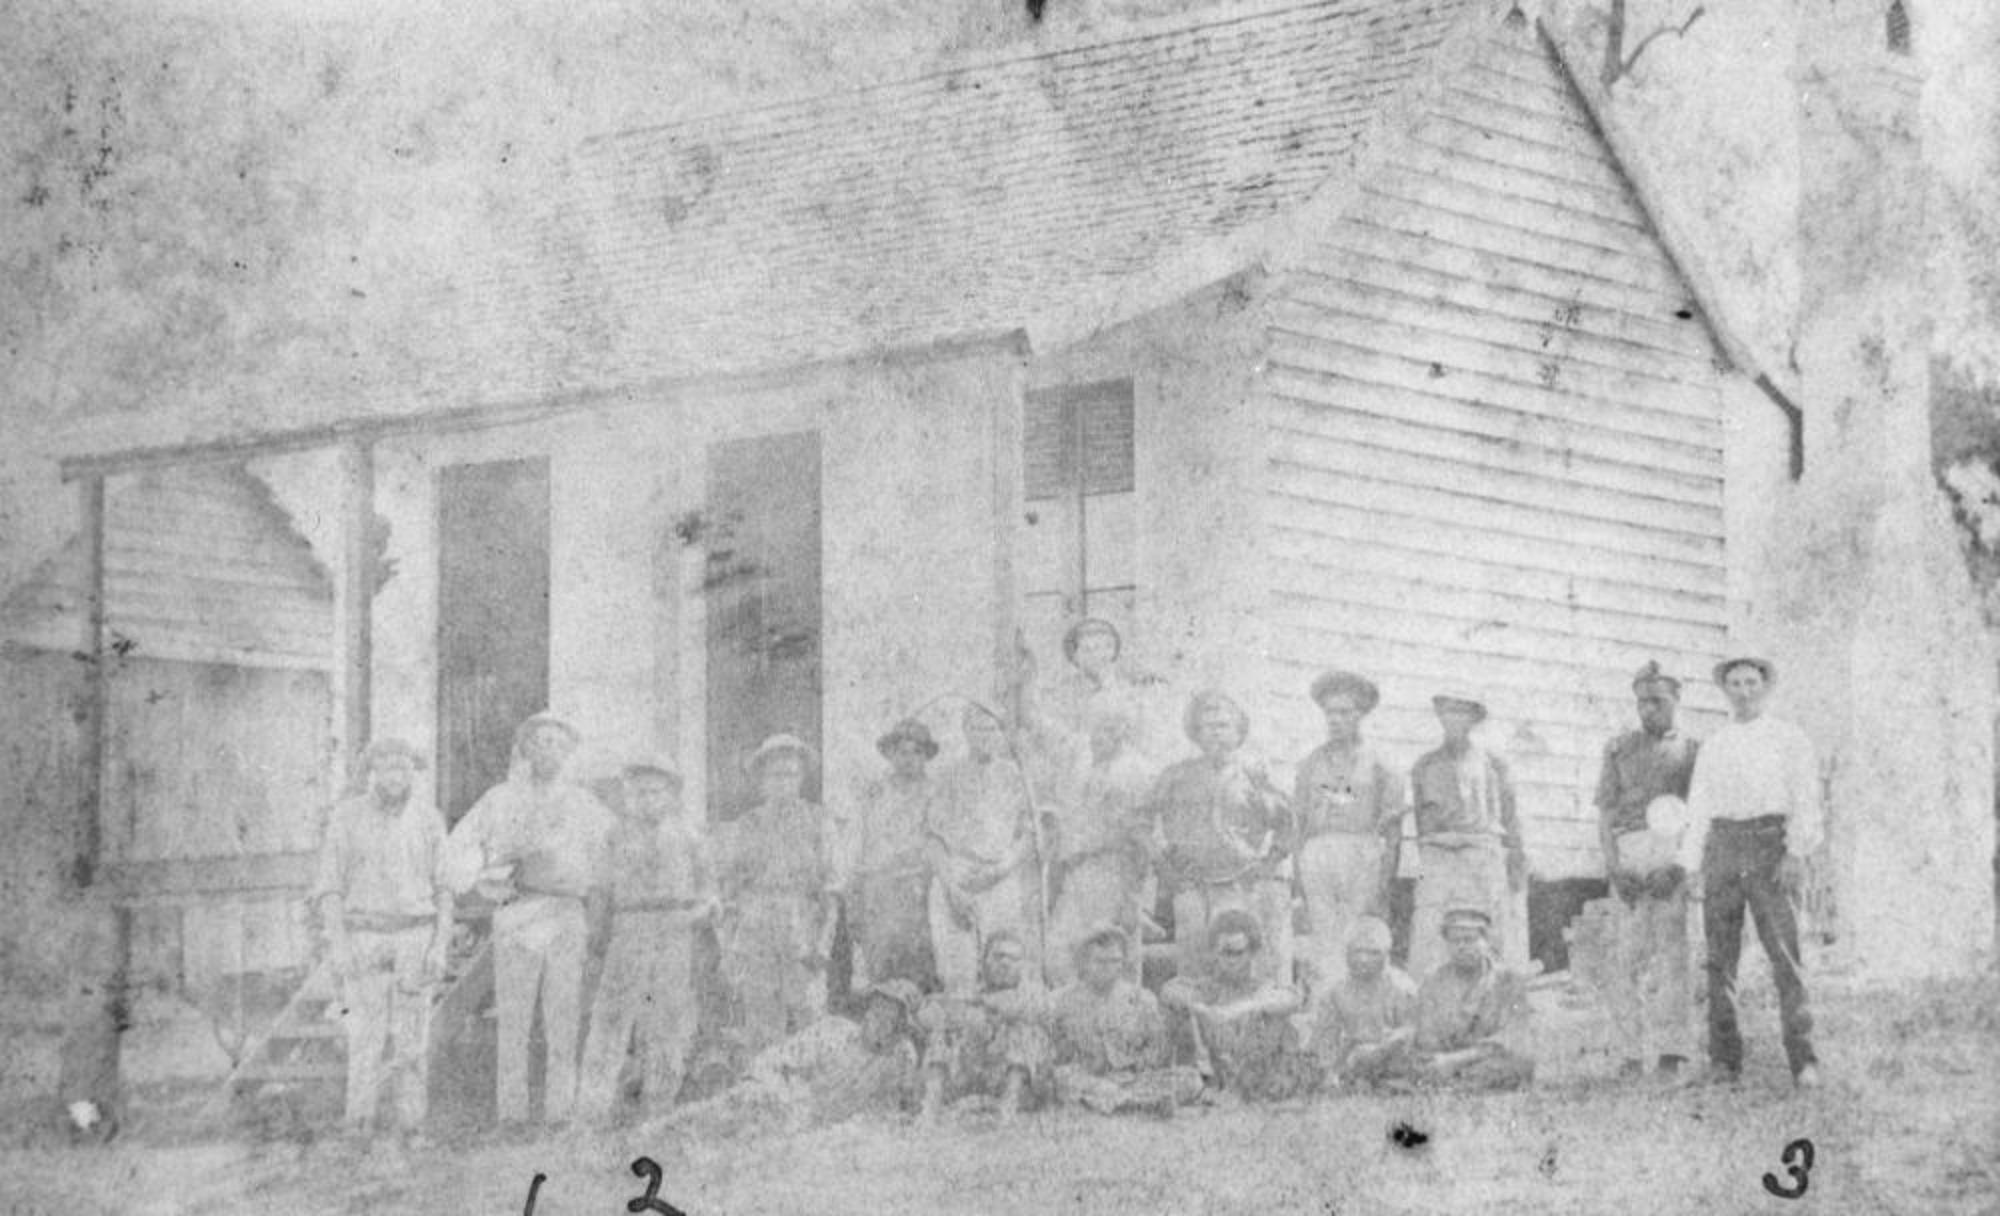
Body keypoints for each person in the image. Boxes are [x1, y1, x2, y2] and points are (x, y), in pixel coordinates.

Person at [441, 712, 614, 1126]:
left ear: (569, 751)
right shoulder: (500, 798)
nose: (548, 750)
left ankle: (560, 1113)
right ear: (526, 749)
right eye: (540, 742)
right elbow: (458, 848)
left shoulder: (585, 804)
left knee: (564, 1018)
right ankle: (512, 1116)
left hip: (567, 911)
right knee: (513, 1019)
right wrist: (484, 876)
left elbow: (611, 856)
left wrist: (596, 914)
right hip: (518, 912)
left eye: (557, 743)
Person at [1680, 655, 1823, 1089]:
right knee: (1719, 959)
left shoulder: (1788, 738)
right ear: (1725, 690)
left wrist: (1795, 853)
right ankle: (1725, 1060)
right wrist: (1691, 863)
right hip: (1723, 849)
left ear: (1764, 687)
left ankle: (1803, 1061)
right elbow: (1699, 807)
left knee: (1785, 956)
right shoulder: (1715, 744)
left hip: (1768, 846)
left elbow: (1806, 798)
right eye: (1735, 683)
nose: (1743, 691)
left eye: (1751, 682)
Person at [311, 738, 453, 1141]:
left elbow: (444, 888)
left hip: (415, 936)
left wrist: (439, 945)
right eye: (387, 767)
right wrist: (339, 946)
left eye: (404, 768)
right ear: (371, 771)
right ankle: (358, 1127)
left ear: (413, 773)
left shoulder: (429, 819)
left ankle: (412, 1127)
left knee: (412, 1044)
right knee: (365, 1041)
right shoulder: (347, 818)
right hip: (365, 938)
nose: (396, 776)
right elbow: (330, 888)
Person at [577, 755, 717, 1124]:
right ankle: (592, 1113)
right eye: (639, 793)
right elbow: (600, 891)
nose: (648, 800)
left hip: (675, 930)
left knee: (667, 1024)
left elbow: (710, 893)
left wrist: (694, 915)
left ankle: (658, 1112)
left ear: (671, 795)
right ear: (628, 797)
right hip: (629, 928)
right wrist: (596, 941)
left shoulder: (690, 836)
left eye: (656, 792)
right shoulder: (615, 836)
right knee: (610, 1022)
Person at [1145, 691, 1296, 987]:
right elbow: (1139, 822)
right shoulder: (1176, 776)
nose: (1215, 733)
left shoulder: (1254, 777)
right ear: (1196, 733)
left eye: (1223, 725)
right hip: (1191, 884)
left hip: (1239, 884)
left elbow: (1288, 823)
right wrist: (1163, 867)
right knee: (1194, 965)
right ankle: (1196, 1029)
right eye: (1206, 726)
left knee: (1242, 963)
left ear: (1239, 732)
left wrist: (1267, 864)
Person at [1594, 661, 1699, 1081]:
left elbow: (1701, 816)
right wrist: (1615, 868)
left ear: (1676, 700)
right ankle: (1629, 1054)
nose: (1648, 709)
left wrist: (1678, 866)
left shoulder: (1693, 751)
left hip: (1672, 851)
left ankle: (1672, 1052)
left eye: (1658, 701)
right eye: (1641, 702)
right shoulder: (1618, 748)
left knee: (1673, 956)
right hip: (1630, 853)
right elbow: (1605, 814)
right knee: (1623, 958)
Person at [660, 980, 925, 1136]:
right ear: (867, 1011)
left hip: (813, 1128)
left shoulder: (899, 1057)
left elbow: (901, 1109)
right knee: (733, 1105)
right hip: (781, 1100)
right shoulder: (834, 1031)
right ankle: (661, 1128)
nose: (879, 1022)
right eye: (877, 1012)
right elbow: (772, 1060)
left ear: (899, 1028)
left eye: (890, 1019)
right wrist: (774, 1090)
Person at [714, 734, 839, 1058]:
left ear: (801, 778)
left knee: (808, 1010)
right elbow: (730, 889)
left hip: (802, 920)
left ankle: (810, 1096)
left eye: (791, 774)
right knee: (761, 1016)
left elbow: (831, 889)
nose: (784, 783)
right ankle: (765, 1093)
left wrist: (824, 944)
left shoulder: (819, 821)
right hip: (756, 922)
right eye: (775, 775)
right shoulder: (747, 825)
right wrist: (731, 945)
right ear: (761, 781)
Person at [1292, 671, 1406, 994]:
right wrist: (1298, 875)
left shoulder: (1380, 764)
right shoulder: (1310, 763)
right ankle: (1325, 1002)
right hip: (1318, 852)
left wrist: (1386, 877)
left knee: (1356, 931)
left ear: (1361, 715)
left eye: (1345, 712)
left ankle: (1357, 1001)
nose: (1336, 719)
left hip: (1361, 851)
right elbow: (1298, 822)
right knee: (1323, 933)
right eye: (1330, 712)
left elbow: (1393, 827)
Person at [1408, 693, 1528, 976]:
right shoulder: (1424, 765)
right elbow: (1420, 820)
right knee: (1430, 925)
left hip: (1481, 850)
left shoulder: (1493, 764)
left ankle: (1497, 993)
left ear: (1474, 720)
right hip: (1440, 853)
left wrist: (1515, 860)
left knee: (1492, 926)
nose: (1454, 720)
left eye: (1462, 714)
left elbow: (1510, 818)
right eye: (1448, 713)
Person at [928, 705, 1044, 993]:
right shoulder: (948, 775)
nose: (986, 735)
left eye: (993, 729)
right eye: (979, 728)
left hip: (1000, 876)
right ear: (966, 731)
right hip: (958, 875)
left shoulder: (1014, 775)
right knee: (958, 972)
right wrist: (952, 887)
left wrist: (1000, 869)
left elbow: (1030, 834)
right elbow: (933, 839)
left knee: (1004, 966)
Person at [1045, 707, 1153, 987]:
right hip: (1078, 871)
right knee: (1058, 950)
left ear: (1122, 733)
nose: (1097, 737)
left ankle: (1122, 1022)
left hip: (1114, 872)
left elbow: (1140, 837)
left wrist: (1133, 898)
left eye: (1107, 730)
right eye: (1095, 730)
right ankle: (1078, 1017)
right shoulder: (1085, 765)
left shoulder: (1136, 771)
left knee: (1115, 953)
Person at [1159, 909, 1315, 1101]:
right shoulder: (1207, 987)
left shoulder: (1262, 987)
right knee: (1177, 1017)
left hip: (1257, 1074)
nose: (1231, 960)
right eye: (1225, 953)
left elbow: (1291, 998)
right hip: (1214, 1073)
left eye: (1238, 953)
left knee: (1284, 1024)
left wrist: (1243, 1007)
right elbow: (1169, 991)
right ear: (1214, 953)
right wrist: (1203, 1009)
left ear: (1252, 953)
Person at [1050, 924, 1203, 1116]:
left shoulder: (1141, 998)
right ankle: (1136, 1104)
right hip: (1091, 1079)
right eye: (1100, 962)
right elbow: (1055, 1057)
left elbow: (1157, 1051)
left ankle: (1125, 1102)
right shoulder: (1062, 1001)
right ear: (1085, 962)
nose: (1109, 968)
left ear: (1122, 962)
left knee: (1190, 1078)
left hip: (1134, 1080)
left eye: (1115, 961)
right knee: (1063, 1078)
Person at [915, 930, 1052, 1124]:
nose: (1005, 963)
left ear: (1023, 965)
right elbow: (926, 1016)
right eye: (999, 956)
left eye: (1014, 958)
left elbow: (1038, 1010)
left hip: (1017, 1084)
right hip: (974, 1074)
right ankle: (929, 1108)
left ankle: (1007, 1110)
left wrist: (977, 1004)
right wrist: (959, 1011)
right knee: (941, 1034)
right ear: (984, 961)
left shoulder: (1034, 993)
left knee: (1026, 1031)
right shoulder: (968, 989)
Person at [846, 718, 943, 989]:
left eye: (917, 752)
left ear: (925, 757)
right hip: (878, 892)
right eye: (902, 752)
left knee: (918, 966)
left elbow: (937, 844)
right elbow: (860, 842)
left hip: (916, 891)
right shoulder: (875, 793)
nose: (909, 759)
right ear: (890, 754)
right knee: (879, 966)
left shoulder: (934, 793)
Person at [1401, 907, 1535, 1091]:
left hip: (1482, 1059)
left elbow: (1510, 1037)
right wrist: (1440, 1060)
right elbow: (1425, 1035)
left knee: (1520, 1062)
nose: (1462, 947)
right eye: (1455, 941)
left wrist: (1456, 1060)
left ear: (1487, 941)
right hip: (1442, 1060)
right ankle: (1451, 1084)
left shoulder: (1509, 981)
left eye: (1470, 940)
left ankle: (1450, 1086)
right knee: (1412, 1062)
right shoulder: (1433, 981)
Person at [1309, 916, 1418, 1091]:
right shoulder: (1335, 991)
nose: (1364, 959)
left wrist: (1386, 1045)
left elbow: (1414, 1030)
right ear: (1346, 953)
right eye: (1357, 951)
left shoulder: (1402, 988)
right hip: (1352, 1059)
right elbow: (1324, 1037)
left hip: (1391, 1057)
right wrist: (1329, 1070)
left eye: (1373, 952)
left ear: (1387, 954)